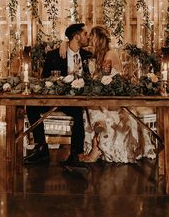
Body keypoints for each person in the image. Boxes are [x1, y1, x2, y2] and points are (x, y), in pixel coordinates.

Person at [78, 26, 156, 163]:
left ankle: (96, 147)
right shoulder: (100, 55)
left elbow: (102, 78)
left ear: (99, 40)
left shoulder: (109, 55)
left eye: (92, 36)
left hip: (116, 101)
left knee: (92, 107)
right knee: (89, 105)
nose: (90, 38)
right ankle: (97, 144)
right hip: (108, 97)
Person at [24, 23, 92, 166]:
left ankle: (75, 155)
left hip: (75, 101)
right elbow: (45, 79)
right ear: (77, 36)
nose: (88, 37)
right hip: (56, 98)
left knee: (78, 113)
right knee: (31, 107)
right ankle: (42, 149)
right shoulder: (54, 55)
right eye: (85, 34)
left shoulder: (88, 55)